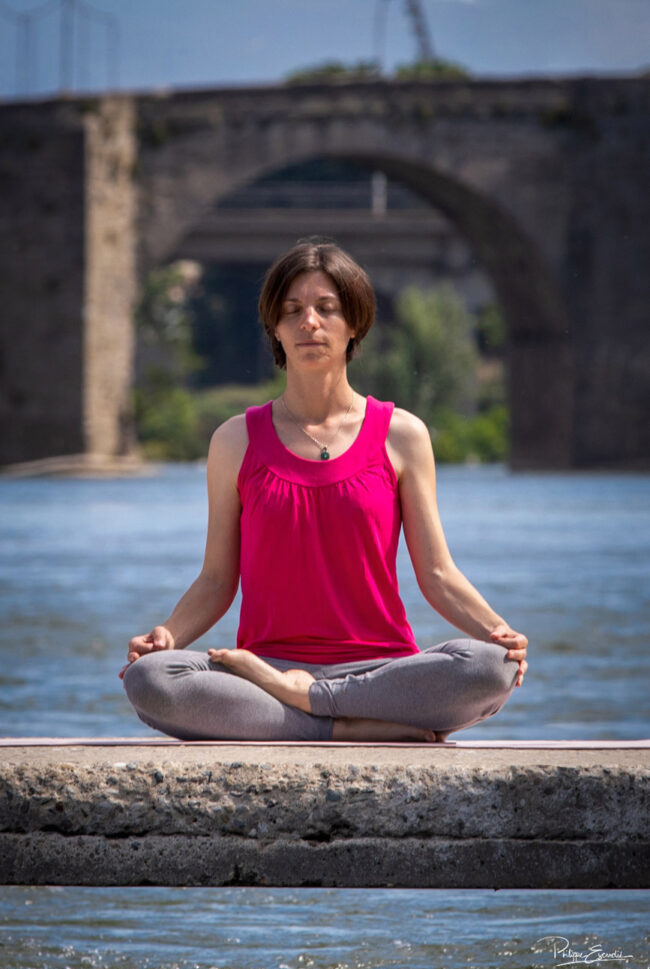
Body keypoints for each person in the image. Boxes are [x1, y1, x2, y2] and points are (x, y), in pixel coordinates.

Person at [121, 240, 528, 742]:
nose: (308, 322)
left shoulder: (402, 434)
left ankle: (314, 706)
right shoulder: (235, 440)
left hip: (379, 674)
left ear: (354, 323)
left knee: (489, 668)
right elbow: (218, 578)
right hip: (262, 674)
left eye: (326, 309)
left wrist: (497, 632)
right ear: (275, 327)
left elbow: (437, 573)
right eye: (292, 311)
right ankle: (352, 727)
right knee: (151, 679)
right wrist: (168, 635)